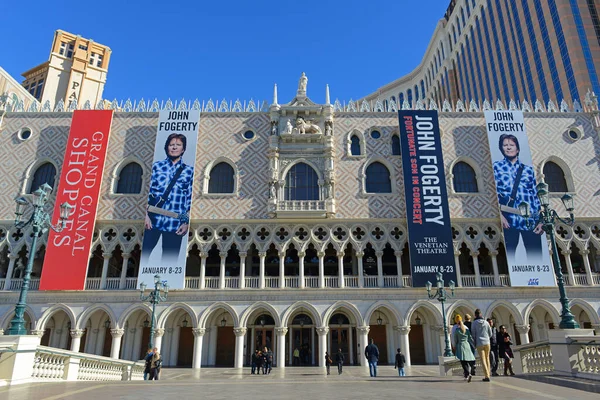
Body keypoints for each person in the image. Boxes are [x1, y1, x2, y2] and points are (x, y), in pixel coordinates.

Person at [142, 133, 194, 265]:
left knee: (169, 262)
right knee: (145, 257)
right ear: (167, 147)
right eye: (171, 145)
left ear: (183, 149)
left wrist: (186, 221)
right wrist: (146, 215)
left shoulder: (189, 171)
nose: (174, 148)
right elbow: (148, 192)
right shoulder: (157, 167)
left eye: (178, 145)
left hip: (175, 224)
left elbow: (189, 199)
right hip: (153, 221)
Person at [493, 134, 544, 260]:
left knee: (536, 258)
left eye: (511, 145)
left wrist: (540, 220)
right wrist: (499, 215)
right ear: (501, 149)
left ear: (518, 148)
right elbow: (492, 193)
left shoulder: (528, 170)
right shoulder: (496, 167)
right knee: (509, 257)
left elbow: (534, 195)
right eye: (505, 145)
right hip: (508, 221)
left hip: (530, 221)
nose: (508, 148)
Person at [471, 309, 493, 382]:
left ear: (475, 315)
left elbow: (473, 335)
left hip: (479, 343)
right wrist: (487, 338)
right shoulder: (486, 322)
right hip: (487, 343)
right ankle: (488, 374)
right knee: (487, 358)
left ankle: (486, 376)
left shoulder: (474, 323)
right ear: (481, 314)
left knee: (483, 359)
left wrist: (474, 343)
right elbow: (490, 333)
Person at [452, 315, 475, 382]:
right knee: (469, 358)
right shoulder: (466, 329)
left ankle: (467, 373)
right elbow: (470, 338)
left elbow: (455, 339)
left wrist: (454, 346)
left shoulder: (456, 330)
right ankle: (472, 366)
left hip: (460, 345)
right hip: (467, 345)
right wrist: (473, 344)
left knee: (463, 361)